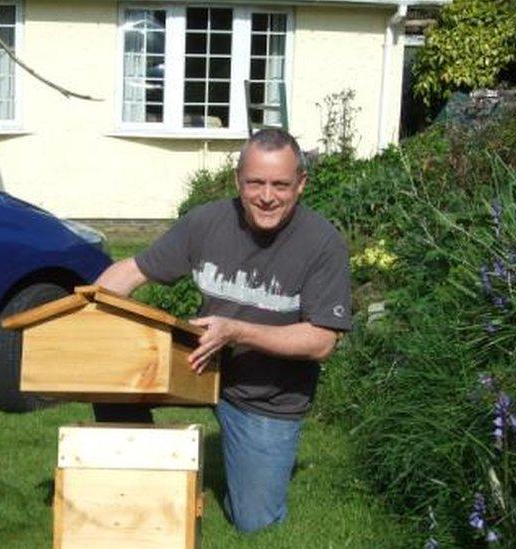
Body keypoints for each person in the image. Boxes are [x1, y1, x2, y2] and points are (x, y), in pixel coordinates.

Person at [93, 128, 352, 533]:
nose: (267, 196)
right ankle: (141, 484)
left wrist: (236, 332)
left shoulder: (323, 244)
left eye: (281, 184)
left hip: (268, 396)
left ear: (301, 184)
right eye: (256, 183)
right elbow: (131, 272)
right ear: (238, 180)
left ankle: (242, 474)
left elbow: (321, 341)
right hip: (199, 367)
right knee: (110, 379)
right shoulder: (205, 222)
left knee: (254, 522)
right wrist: (89, 313)